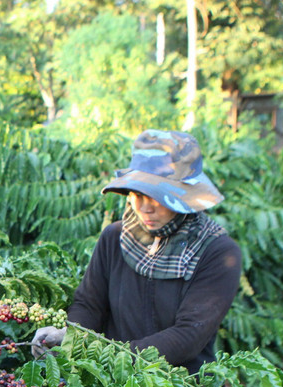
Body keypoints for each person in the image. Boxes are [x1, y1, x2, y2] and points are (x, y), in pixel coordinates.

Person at [33, 129, 242, 373]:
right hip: (112, 379)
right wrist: (69, 336)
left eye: (156, 196)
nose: (144, 207)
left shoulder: (217, 252)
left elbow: (188, 336)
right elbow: (90, 304)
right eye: (137, 194)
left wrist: (110, 356)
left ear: (184, 196)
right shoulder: (114, 237)